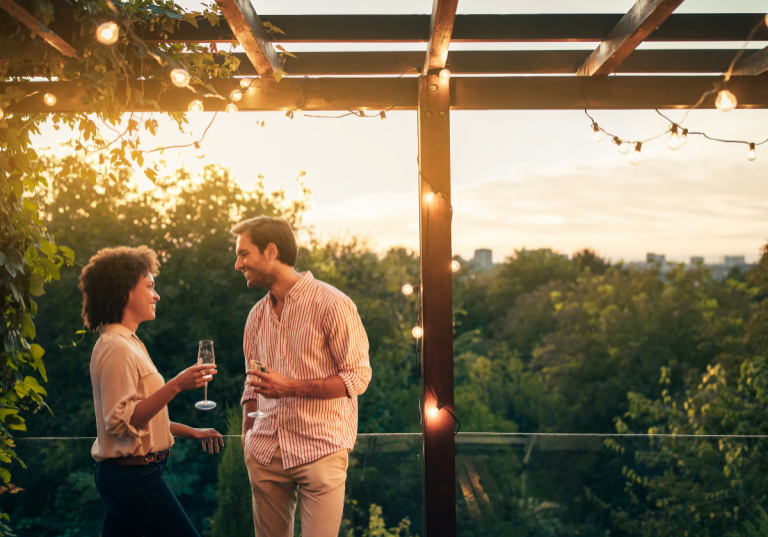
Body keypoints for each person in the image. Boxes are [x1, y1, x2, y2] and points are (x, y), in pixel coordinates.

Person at [231, 216, 372, 537]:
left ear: (270, 251)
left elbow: (357, 377)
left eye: (243, 253)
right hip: (265, 454)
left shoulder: (333, 304)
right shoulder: (256, 317)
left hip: (320, 452)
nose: (238, 264)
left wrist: (291, 387)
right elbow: (251, 386)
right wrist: (248, 439)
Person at [80, 245, 224, 537]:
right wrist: (176, 385)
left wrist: (191, 431)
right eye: (149, 286)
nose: (156, 295)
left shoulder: (130, 343)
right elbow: (121, 423)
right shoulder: (116, 348)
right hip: (132, 477)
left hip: (132, 475)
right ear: (125, 292)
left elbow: (142, 418)